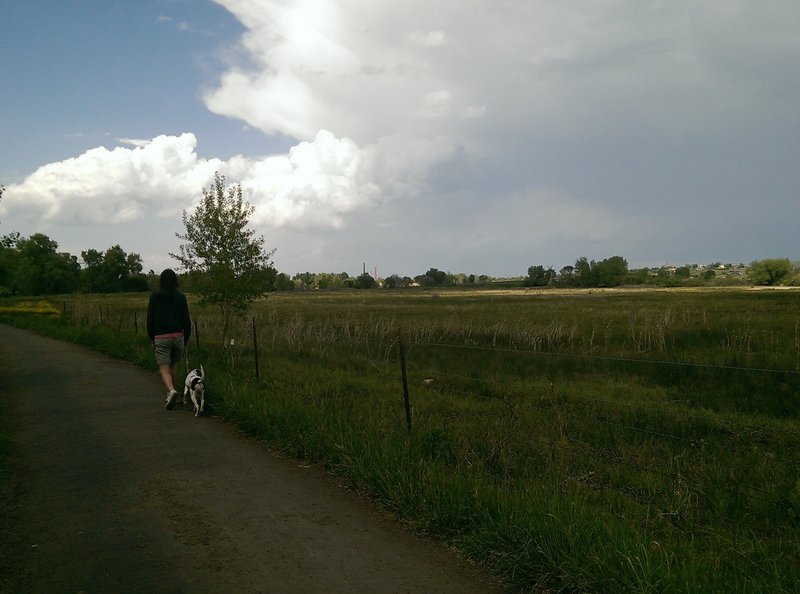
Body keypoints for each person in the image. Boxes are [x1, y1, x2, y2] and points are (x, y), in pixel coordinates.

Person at [147, 269, 192, 410]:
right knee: (173, 365)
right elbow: (186, 319)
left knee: (164, 368)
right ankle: (172, 392)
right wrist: (187, 338)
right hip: (178, 336)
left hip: (161, 336)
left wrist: (151, 337)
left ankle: (171, 391)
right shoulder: (181, 297)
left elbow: (150, 319)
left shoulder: (154, 297)